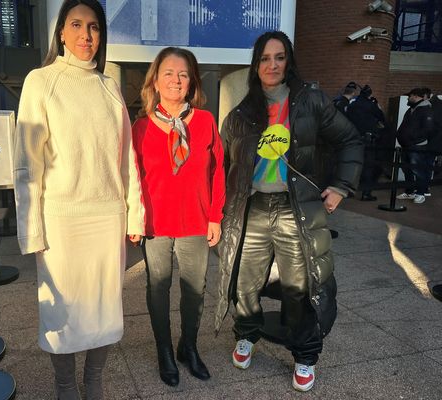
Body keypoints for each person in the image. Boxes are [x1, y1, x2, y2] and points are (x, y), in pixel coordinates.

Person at [214, 31, 363, 392]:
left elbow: (350, 139)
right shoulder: (242, 112)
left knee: (300, 286)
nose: (272, 65)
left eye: (279, 57)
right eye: (264, 58)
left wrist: (341, 186)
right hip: (253, 208)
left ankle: (305, 355)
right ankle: (246, 334)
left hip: (295, 207)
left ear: (288, 61)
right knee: (246, 282)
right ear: (255, 64)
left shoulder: (310, 101)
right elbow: (223, 165)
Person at [12, 1, 144, 399]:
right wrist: (31, 229)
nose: (86, 36)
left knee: (105, 309)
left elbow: (127, 160)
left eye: (94, 27)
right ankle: (65, 385)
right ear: (61, 33)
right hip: (62, 224)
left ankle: (94, 382)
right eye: (77, 25)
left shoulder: (110, 86)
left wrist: (134, 214)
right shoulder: (41, 80)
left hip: (107, 219)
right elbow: (26, 163)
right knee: (62, 313)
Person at [132, 47, 225, 387]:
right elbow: (133, 178)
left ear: (191, 82)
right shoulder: (140, 127)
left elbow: (217, 172)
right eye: (168, 73)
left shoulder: (205, 121)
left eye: (183, 74)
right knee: (158, 288)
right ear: (155, 81)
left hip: (196, 222)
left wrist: (215, 216)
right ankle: (164, 351)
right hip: (155, 223)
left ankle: (188, 346)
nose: (176, 80)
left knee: (195, 290)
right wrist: (134, 219)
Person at [346, 84, 387, 201]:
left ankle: (349, 190)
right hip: (368, 140)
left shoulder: (352, 105)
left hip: (353, 139)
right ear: (369, 95)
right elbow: (382, 117)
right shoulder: (371, 105)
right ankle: (366, 193)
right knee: (368, 166)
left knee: (353, 164)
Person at [396, 87, 436, 204]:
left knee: (418, 170)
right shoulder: (411, 110)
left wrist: (413, 140)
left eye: (410, 96)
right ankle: (409, 192)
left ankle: (420, 193)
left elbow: (427, 129)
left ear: (417, 96)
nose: (409, 98)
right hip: (406, 145)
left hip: (417, 146)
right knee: (407, 169)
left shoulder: (426, 110)